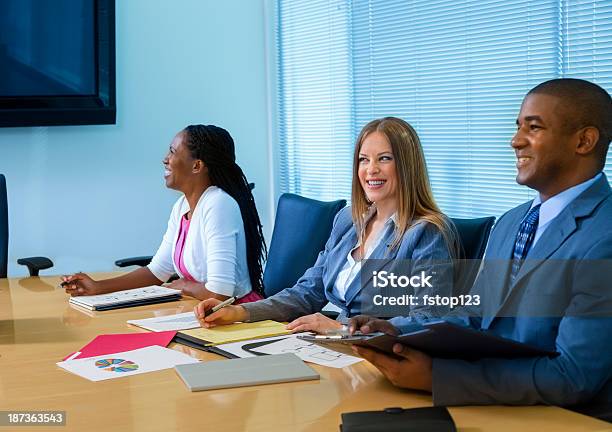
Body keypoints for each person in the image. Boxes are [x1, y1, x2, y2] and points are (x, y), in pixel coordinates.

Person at [349, 79, 612, 416]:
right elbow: (476, 314)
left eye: (534, 127)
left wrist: (437, 377)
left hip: (563, 417)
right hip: (490, 402)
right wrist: (395, 330)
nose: (515, 141)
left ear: (584, 141)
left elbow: (574, 376)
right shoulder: (511, 222)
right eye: (517, 127)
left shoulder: (603, 236)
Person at [195, 116, 459, 334]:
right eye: (364, 159)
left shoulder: (426, 232)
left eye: (384, 159)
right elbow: (309, 290)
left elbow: (428, 320)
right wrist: (239, 312)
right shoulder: (348, 221)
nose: (371, 170)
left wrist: (341, 329)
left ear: (407, 167)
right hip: (333, 349)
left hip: (379, 357)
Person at [62, 124, 267, 303]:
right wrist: (97, 287)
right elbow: (157, 271)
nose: (165, 159)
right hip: (197, 310)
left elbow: (220, 293)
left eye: (173, 152)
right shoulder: (182, 207)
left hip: (235, 315)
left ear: (197, 165)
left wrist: (184, 286)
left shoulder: (218, 204)